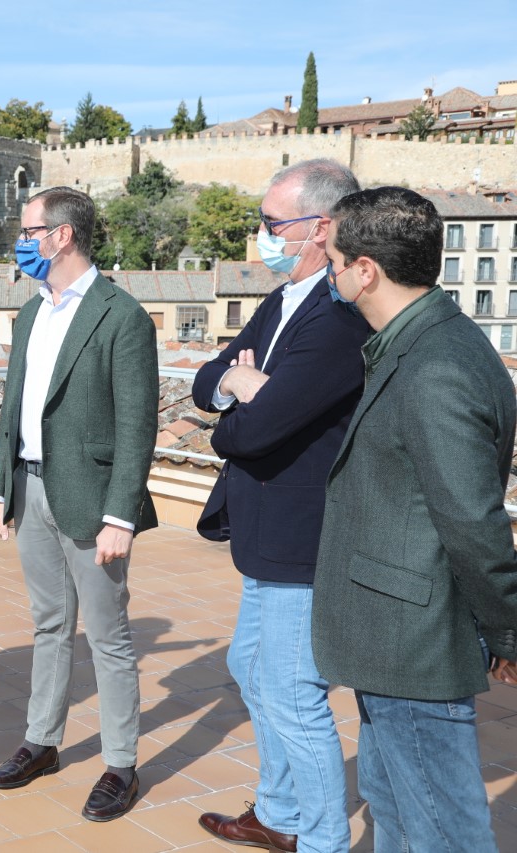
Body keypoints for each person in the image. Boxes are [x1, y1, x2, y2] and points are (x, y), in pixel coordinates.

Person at [312, 185, 517, 853]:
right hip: (391, 636)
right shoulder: (420, 342)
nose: (329, 270)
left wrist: (507, 630)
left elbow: (474, 523)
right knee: (398, 813)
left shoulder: (434, 367)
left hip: (414, 643)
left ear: (365, 269)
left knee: (445, 831)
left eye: (334, 259)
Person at [192, 159, 369, 853]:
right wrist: (238, 379)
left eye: (272, 223)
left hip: (304, 534)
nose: (260, 236)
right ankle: (279, 810)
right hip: (264, 529)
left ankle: (321, 840)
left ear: (321, 228)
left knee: (294, 693)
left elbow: (251, 428)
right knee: (248, 664)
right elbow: (211, 378)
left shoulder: (337, 316)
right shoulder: (280, 298)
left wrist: (236, 405)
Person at [0, 186, 158, 822]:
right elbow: (14, 410)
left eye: (28, 232)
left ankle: (120, 764)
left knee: (108, 636)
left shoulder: (121, 316)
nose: (20, 242)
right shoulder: (32, 314)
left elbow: (139, 425)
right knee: (49, 624)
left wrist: (122, 515)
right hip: (31, 489)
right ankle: (42, 742)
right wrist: (1, 486)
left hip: (92, 500)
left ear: (60, 236)